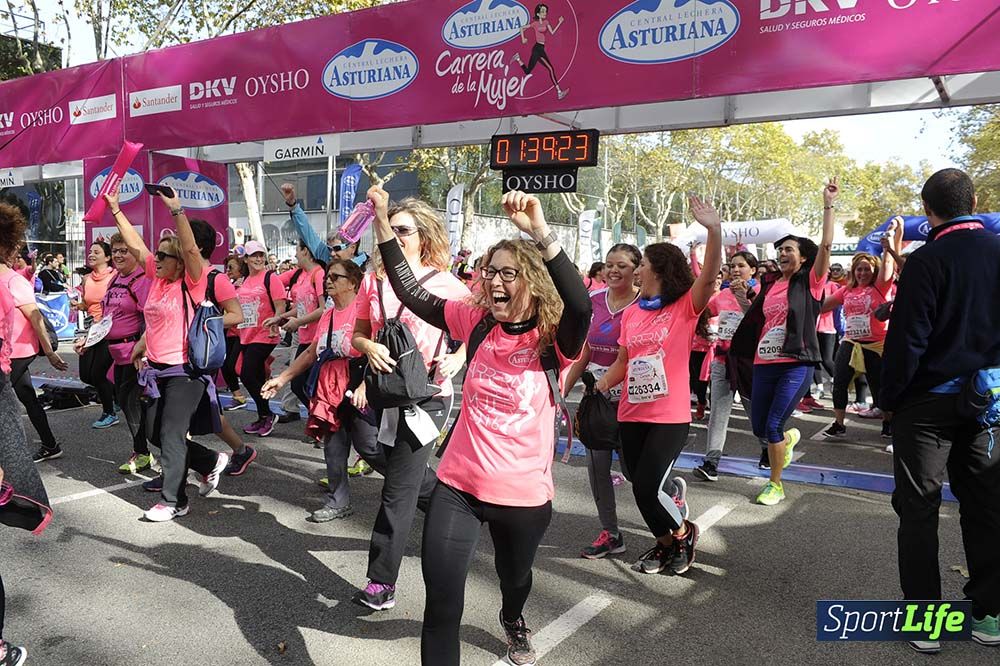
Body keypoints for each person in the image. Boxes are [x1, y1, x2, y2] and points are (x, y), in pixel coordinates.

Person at [372, 186, 590, 666]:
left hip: (523, 497)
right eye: (490, 271)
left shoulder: (554, 337)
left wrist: (541, 232)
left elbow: (581, 306)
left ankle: (513, 618)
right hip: (458, 487)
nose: (494, 281)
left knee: (514, 580)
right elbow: (410, 288)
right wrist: (384, 219)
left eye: (508, 273)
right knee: (441, 608)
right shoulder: (474, 320)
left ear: (532, 281)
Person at [881, 169, 1000, 653]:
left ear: (927, 211)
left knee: (918, 509)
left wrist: (890, 401)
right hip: (988, 402)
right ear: (975, 199)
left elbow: (907, 341)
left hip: (926, 405)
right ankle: (989, 613)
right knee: (987, 508)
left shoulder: (925, 261)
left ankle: (926, 620)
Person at [350, 189, 469, 613]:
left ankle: (381, 581)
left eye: (404, 230)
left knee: (396, 491)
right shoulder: (372, 280)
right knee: (381, 457)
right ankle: (456, 510)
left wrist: (457, 356)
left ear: (425, 236)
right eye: (391, 229)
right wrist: (368, 347)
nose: (396, 237)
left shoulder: (446, 283)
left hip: (427, 396)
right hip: (386, 392)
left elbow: (479, 331)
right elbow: (357, 333)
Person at [594, 196, 722, 577]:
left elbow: (710, 276)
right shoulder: (632, 312)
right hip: (631, 412)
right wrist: (600, 384)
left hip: (669, 415)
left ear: (657, 270)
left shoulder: (684, 304)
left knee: (648, 486)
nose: (637, 270)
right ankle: (665, 545)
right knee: (638, 486)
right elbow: (623, 361)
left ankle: (683, 534)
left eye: (643, 264)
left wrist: (714, 230)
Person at [106, 185, 230, 522]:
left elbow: (189, 247)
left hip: (184, 372)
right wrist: (116, 209)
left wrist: (177, 211)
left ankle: (174, 500)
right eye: (155, 255)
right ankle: (207, 461)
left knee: (172, 434)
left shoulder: (192, 281)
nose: (155, 259)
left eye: (163, 256)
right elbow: (134, 244)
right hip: (156, 371)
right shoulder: (157, 279)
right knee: (152, 431)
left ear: (179, 263)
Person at [729, 180, 837, 506]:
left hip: (797, 362)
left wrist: (828, 205)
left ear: (803, 258)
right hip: (765, 363)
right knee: (761, 427)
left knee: (773, 423)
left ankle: (775, 484)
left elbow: (827, 246)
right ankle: (788, 439)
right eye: (780, 250)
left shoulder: (812, 281)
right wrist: (740, 300)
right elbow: (760, 319)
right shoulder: (772, 285)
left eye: (789, 249)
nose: (782, 253)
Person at [262, 259, 386, 522]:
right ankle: (338, 501)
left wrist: (366, 385)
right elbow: (310, 352)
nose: (329, 281)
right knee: (334, 446)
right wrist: (281, 379)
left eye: (336, 277)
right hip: (331, 387)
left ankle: (413, 488)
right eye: (328, 276)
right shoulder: (328, 314)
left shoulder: (366, 312)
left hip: (359, 382)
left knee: (369, 446)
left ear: (353, 283)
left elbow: (378, 353)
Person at [565, 244, 640, 559]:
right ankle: (611, 533)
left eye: (621, 265)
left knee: (637, 472)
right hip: (597, 400)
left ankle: (670, 494)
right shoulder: (592, 302)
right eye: (609, 264)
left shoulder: (646, 305)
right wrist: (562, 391)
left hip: (636, 400)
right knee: (597, 468)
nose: (613, 270)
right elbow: (583, 354)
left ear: (637, 269)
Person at [78, 232, 155, 475]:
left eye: (125, 250)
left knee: (137, 403)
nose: (120, 255)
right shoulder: (114, 281)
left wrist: (143, 352)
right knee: (126, 401)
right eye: (116, 251)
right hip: (116, 352)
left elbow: (150, 318)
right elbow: (107, 319)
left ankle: (169, 453)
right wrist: (89, 340)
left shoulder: (141, 280)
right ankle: (143, 452)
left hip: (135, 353)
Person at [0, 214, 68, 464]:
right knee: (27, 396)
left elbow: (37, 318)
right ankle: (50, 445)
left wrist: (49, 352)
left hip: (18, 350)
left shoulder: (15, 280)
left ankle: (11, 457)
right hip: (7, 351)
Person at [820, 231, 898, 443]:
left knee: (879, 386)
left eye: (867, 269)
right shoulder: (847, 290)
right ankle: (839, 424)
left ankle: (888, 422)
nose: (862, 273)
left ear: (874, 271)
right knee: (840, 382)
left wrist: (889, 244)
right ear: (853, 271)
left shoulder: (880, 287)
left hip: (876, 344)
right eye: (859, 269)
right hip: (850, 342)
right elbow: (822, 306)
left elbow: (889, 264)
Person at [694, 251, 766, 480]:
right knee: (718, 412)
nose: (735, 270)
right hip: (721, 360)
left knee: (753, 411)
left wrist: (744, 296)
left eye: (741, 266)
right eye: (732, 266)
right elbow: (703, 313)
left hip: (748, 363)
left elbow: (758, 322)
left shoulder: (761, 294)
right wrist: (705, 330)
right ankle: (711, 462)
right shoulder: (723, 294)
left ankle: (768, 448)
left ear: (752, 270)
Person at [236, 240, 287, 436]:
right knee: (252, 375)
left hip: (266, 334)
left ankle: (268, 414)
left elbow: (280, 305)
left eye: (261, 255)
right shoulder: (244, 281)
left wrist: (277, 318)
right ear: (246, 259)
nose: (258, 258)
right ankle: (263, 416)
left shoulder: (270, 278)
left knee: (247, 374)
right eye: (254, 255)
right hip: (246, 334)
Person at [75, 240, 119, 428]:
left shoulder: (115, 276)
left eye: (97, 252)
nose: (91, 254)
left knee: (98, 373)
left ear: (108, 257)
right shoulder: (87, 279)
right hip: (91, 330)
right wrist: (79, 306)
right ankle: (118, 396)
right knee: (86, 375)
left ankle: (109, 412)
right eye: (90, 251)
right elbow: (88, 304)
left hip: (109, 330)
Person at [512, 3, 569, 100]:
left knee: (528, 71)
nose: (545, 13)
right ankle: (559, 92)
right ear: (538, 14)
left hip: (540, 48)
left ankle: (518, 58)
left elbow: (552, 32)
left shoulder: (546, 22)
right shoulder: (535, 24)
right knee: (550, 69)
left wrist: (559, 22)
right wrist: (523, 38)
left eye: (545, 11)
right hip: (537, 49)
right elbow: (522, 28)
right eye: (542, 11)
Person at [221, 254, 249, 409]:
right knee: (225, 366)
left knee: (235, 366)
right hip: (228, 331)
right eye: (227, 267)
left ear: (240, 267)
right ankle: (237, 396)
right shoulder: (229, 284)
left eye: (231, 267)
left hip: (242, 332)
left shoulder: (246, 285)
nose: (228, 270)